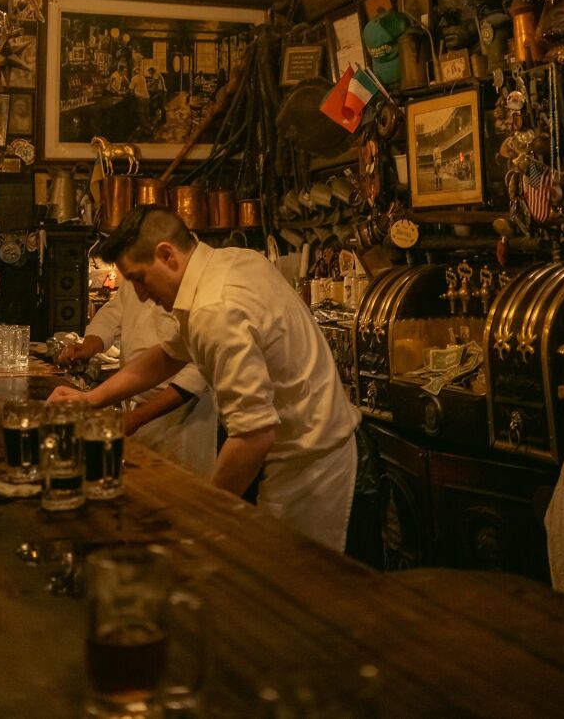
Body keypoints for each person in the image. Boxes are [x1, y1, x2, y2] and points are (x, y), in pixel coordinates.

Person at [50, 207, 360, 552]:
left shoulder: (215, 309)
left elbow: (253, 437)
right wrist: (91, 400)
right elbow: (168, 355)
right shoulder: (228, 263)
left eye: (139, 278)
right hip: (296, 445)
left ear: (166, 254)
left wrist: (200, 514)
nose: (139, 294)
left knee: (294, 585)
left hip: (311, 457)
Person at [58, 277, 217, 478]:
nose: (142, 294)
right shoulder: (138, 274)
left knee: (179, 490)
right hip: (131, 408)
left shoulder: (205, 287)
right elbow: (113, 313)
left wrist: (138, 417)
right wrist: (89, 345)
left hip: (181, 416)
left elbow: (199, 367)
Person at [129, 65, 152, 136]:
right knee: (146, 115)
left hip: (141, 99)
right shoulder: (142, 77)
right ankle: (146, 131)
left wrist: (131, 92)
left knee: (141, 116)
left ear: (134, 72)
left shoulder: (134, 78)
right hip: (147, 98)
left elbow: (131, 88)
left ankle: (149, 129)